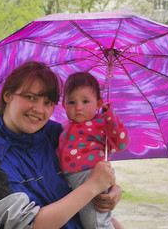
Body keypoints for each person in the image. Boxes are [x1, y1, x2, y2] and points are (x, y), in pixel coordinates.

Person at [0, 61, 122, 229]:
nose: (39, 109)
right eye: (31, 97)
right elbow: (29, 225)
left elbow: (85, 178)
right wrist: (92, 187)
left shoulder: (57, 136)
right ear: (8, 96)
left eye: (48, 103)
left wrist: (109, 190)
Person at [57, 72, 130, 229]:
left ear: (98, 104)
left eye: (85, 101)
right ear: (63, 105)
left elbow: (121, 143)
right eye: (71, 102)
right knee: (83, 219)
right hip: (70, 181)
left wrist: (110, 115)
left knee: (95, 223)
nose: (78, 107)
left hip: (90, 175)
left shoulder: (101, 124)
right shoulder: (63, 126)